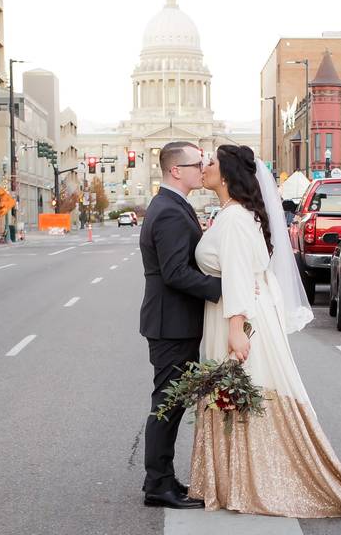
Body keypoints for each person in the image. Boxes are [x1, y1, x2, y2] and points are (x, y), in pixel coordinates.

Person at [189, 144, 341, 522]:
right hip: (234, 313)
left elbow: (240, 276)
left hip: (238, 318)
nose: (203, 166)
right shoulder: (232, 215)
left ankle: (245, 481)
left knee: (242, 390)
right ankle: (232, 480)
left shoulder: (237, 219)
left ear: (226, 175)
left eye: (209, 162)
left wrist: (236, 330)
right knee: (236, 393)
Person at [138, 141, 221, 510]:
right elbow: (175, 273)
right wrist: (224, 289)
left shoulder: (172, 205)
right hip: (171, 322)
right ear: (176, 170)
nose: (201, 168)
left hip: (174, 320)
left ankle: (162, 479)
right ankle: (158, 484)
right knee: (167, 404)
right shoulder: (170, 211)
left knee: (171, 402)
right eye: (196, 163)